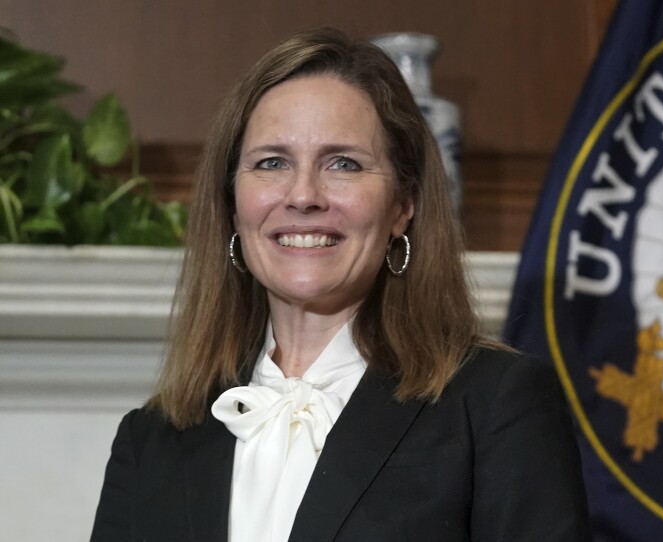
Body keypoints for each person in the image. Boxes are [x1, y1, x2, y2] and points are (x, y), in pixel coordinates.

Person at [90, 27, 591, 542]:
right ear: (233, 206)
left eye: (343, 163)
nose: (303, 195)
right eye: (272, 162)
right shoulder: (150, 440)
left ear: (402, 205)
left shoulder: (494, 406)